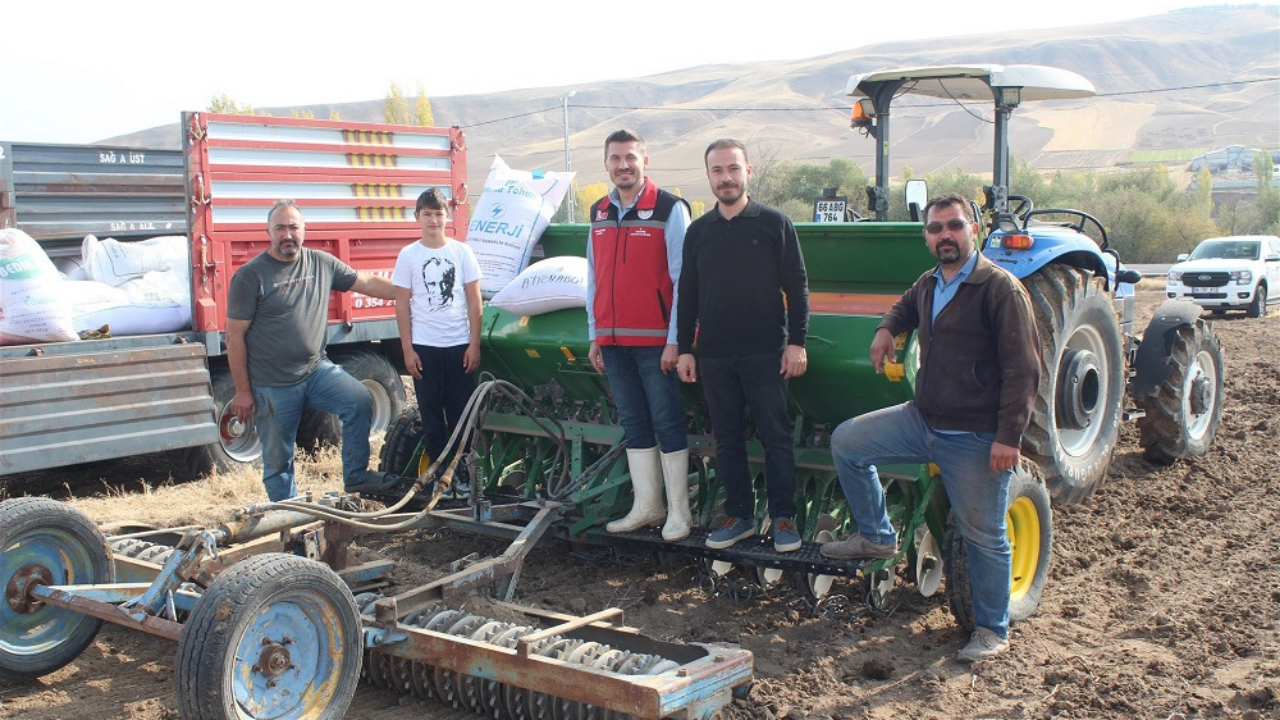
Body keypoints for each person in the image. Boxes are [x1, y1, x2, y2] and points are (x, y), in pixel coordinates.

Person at [819, 193, 1041, 662]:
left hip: (976, 436)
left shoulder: (999, 289)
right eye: (936, 228)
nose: (946, 235)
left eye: (954, 226)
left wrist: (1009, 437)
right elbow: (905, 306)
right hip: (923, 421)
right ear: (926, 236)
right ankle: (877, 535)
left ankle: (992, 630)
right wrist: (886, 328)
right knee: (847, 442)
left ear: (974, 230)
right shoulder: (930, 282)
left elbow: (1023, 369)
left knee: (985, 536)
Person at [676, 138, 810, 553]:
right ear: (709, 178)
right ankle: (739, 517)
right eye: (717, 171)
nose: (726, 177)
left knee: (776, 435)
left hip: (766, 350)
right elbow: (689, 294)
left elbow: (798, 286)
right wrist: (685, 348)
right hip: (715, 354)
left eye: (733, 168)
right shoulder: (699, 231)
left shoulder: (773, 223)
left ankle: (784, 517)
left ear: (748, 172)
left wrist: (797, 343)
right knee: (727, 439)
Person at [226, 199, 405, 502]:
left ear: (304, 230)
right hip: (273, 383)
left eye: (293, 227)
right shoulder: (250, 276)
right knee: (279, 461)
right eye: (280, 228)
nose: (287, 234)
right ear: (268, 231)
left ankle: (357, 476)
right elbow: (234, 337)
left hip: (315, 370)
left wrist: (408, 292)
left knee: (359, 400)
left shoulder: (321, 263)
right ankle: (290, 518)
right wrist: (243, 391)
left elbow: (366, 282)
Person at [586, 129, 694, 541]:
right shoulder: (598, 213)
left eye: (630, 157)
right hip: (613, 342)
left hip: (656, 342)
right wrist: (595, 334)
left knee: (667, 420)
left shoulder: (669, 209)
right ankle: (648, 506)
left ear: (644, 160)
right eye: (615, 158)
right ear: (607, 164)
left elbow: (685, 277)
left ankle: (679, 513)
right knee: (633, 422)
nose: (623, 165)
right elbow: (593, 278)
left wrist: (676, 339)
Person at [393, 188, 483, 485]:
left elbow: (474, 301)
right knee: (431, 414)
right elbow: (402, 304)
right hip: (425, 347)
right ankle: (437, 473)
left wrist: (473, 344)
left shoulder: (461, 252)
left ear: (448, 216)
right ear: (417, 217)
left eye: (439, 214)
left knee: (461, 414)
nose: (434, 220)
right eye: (427, 214)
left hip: (458, 345)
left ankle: (462, 475)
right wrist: (408, 350)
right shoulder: (409, 255)